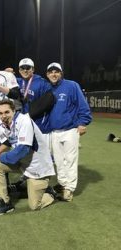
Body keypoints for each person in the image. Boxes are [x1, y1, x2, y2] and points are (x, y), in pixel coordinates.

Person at [0, 100, 56, 215]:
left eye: (7, 112)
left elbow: (22, 150)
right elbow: (8, 143)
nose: (3, 116)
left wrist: (0, 157)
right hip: (23, 163)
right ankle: (5, 202)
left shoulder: (24, 121)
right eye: (0, 113)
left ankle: (49, 192)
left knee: (35, 205)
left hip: (38, 168)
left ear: (14, 111)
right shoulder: (2, 124)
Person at [46, 62, 92, 201]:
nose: (54, 74)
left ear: (61, 73)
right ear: (47, 75)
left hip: (70, 129)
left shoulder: (71, 85)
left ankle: (69, 189)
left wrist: (83, 122)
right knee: (59, 161)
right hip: (54, 131)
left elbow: (82, 105)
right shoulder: (47, 88)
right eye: (51, 72)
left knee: (70, 160)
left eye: (56, 71)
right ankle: (63, 184)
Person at [16, 58, 53, 133]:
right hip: (23, 124)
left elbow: (48, 101)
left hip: (39, 124)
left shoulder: (42, 83)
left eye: (28, 68)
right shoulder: (17, 82)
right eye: (22, 68)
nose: (25, 70)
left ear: (33, 69)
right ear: (19, 70)